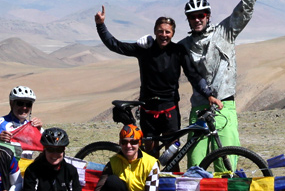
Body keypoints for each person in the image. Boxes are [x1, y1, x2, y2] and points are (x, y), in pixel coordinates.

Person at [179, 0, 270, 170]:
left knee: (226, 166)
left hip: (224, 107)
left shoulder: (224, 33)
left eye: (200, 15)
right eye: (192, 17)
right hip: (199, 109)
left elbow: (244, 9)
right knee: (195, 166)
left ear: (208, 16)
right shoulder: (183, 46)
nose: (197, 20)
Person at [95, 11, 222, 154]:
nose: (164, 35)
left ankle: (170, 176)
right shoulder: (144, 49)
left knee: (172, 156)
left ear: (173, 33)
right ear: (155, 31)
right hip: (148, 110)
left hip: (170, 111)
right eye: (160, 31)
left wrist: (208, 95)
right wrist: (100, 25)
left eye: (168, 32)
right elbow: (115, 45)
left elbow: (193, 74)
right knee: (150, 156)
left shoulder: (178, 51)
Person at [0, 86, 43, 151]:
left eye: (28, 104)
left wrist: (39, 131)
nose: (24, 107)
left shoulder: (33, 126)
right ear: (12, 103)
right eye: (20, 103)